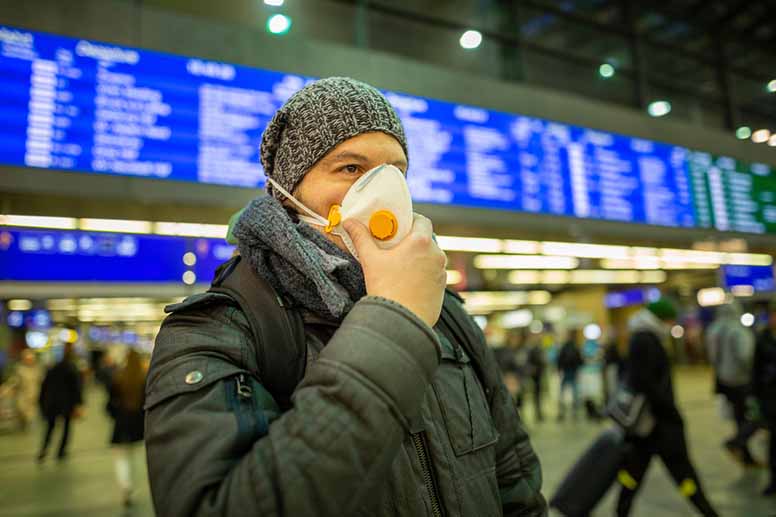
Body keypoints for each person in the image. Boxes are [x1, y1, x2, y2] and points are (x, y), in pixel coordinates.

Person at [143, 77, 546, 517]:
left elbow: (515, 485)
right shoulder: (217, 332)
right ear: (289, 192)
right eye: (351, 168)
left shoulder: (445, 313)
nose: (383, 191)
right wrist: (395, 320)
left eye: (396, 172)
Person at [616, 300, 719, 516]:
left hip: (649, 425)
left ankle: (621, 511)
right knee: (681, 472)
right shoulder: (646, 340)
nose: (672, 325)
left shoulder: (644, 337)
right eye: (671, 320)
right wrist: (670, 411)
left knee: (635, 472)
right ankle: (708, 512)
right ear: (661, 319)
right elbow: (645, 382)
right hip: (657, 422)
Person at [705, 301, 758, 466]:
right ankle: (738, 443)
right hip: (741, 380)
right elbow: (746, 357)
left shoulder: (713, 330)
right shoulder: (738, 330)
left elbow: (712, 357)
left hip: (723, 380)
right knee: (755, 415)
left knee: (739, 416)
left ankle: (745, 453)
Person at [108, 349, 147, 507]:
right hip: (138, 425)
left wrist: (115, 415)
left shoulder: (118, 379)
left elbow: (110, 403)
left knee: (121, 458)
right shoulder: (144, 380)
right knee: (136, 458)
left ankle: (125, 486)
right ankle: (133, 487)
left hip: (121, 424)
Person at [37, 342, 83, 462]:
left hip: (53, 402)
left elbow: (44, 386)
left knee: (50, 428)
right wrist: (78, 404)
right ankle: (61, 451)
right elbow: (76, 388)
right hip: (67, 403)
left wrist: (42, 401)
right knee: (66, 427)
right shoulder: (72, 368)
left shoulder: (53, 368)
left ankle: (44, 450)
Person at [753, 300, 776, 496]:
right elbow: (756, 369)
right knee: (774, 442)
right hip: (771, 397)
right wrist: (755, 397)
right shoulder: (763, 339)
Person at [7, 349, 41, 430]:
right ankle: (23, 425)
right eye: (27, 359)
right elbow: (14, 381)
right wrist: (7, 389)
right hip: (22, 396)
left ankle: (27, 426)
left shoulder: (38, 370)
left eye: (31, 359)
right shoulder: (19, 369)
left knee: (31, 414)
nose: (29, 360)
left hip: (34, 396)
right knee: (22, 411)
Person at [556, 329, 583, 421]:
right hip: (573, 372)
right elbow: (580, 360)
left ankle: (561, 411)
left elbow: (559, 359)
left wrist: (559, 369)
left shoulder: (563, 347)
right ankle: (575, 411)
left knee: (562, 392)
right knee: (575, 393)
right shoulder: (575, 347)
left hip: (566, 372)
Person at [526, 332, 546, 422]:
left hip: (538, 375)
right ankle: (537, 413)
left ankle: (538, 413)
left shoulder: (538, 349)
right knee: (536, 395)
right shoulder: (533, 350)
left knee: (538, 394)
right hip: (534, 375)